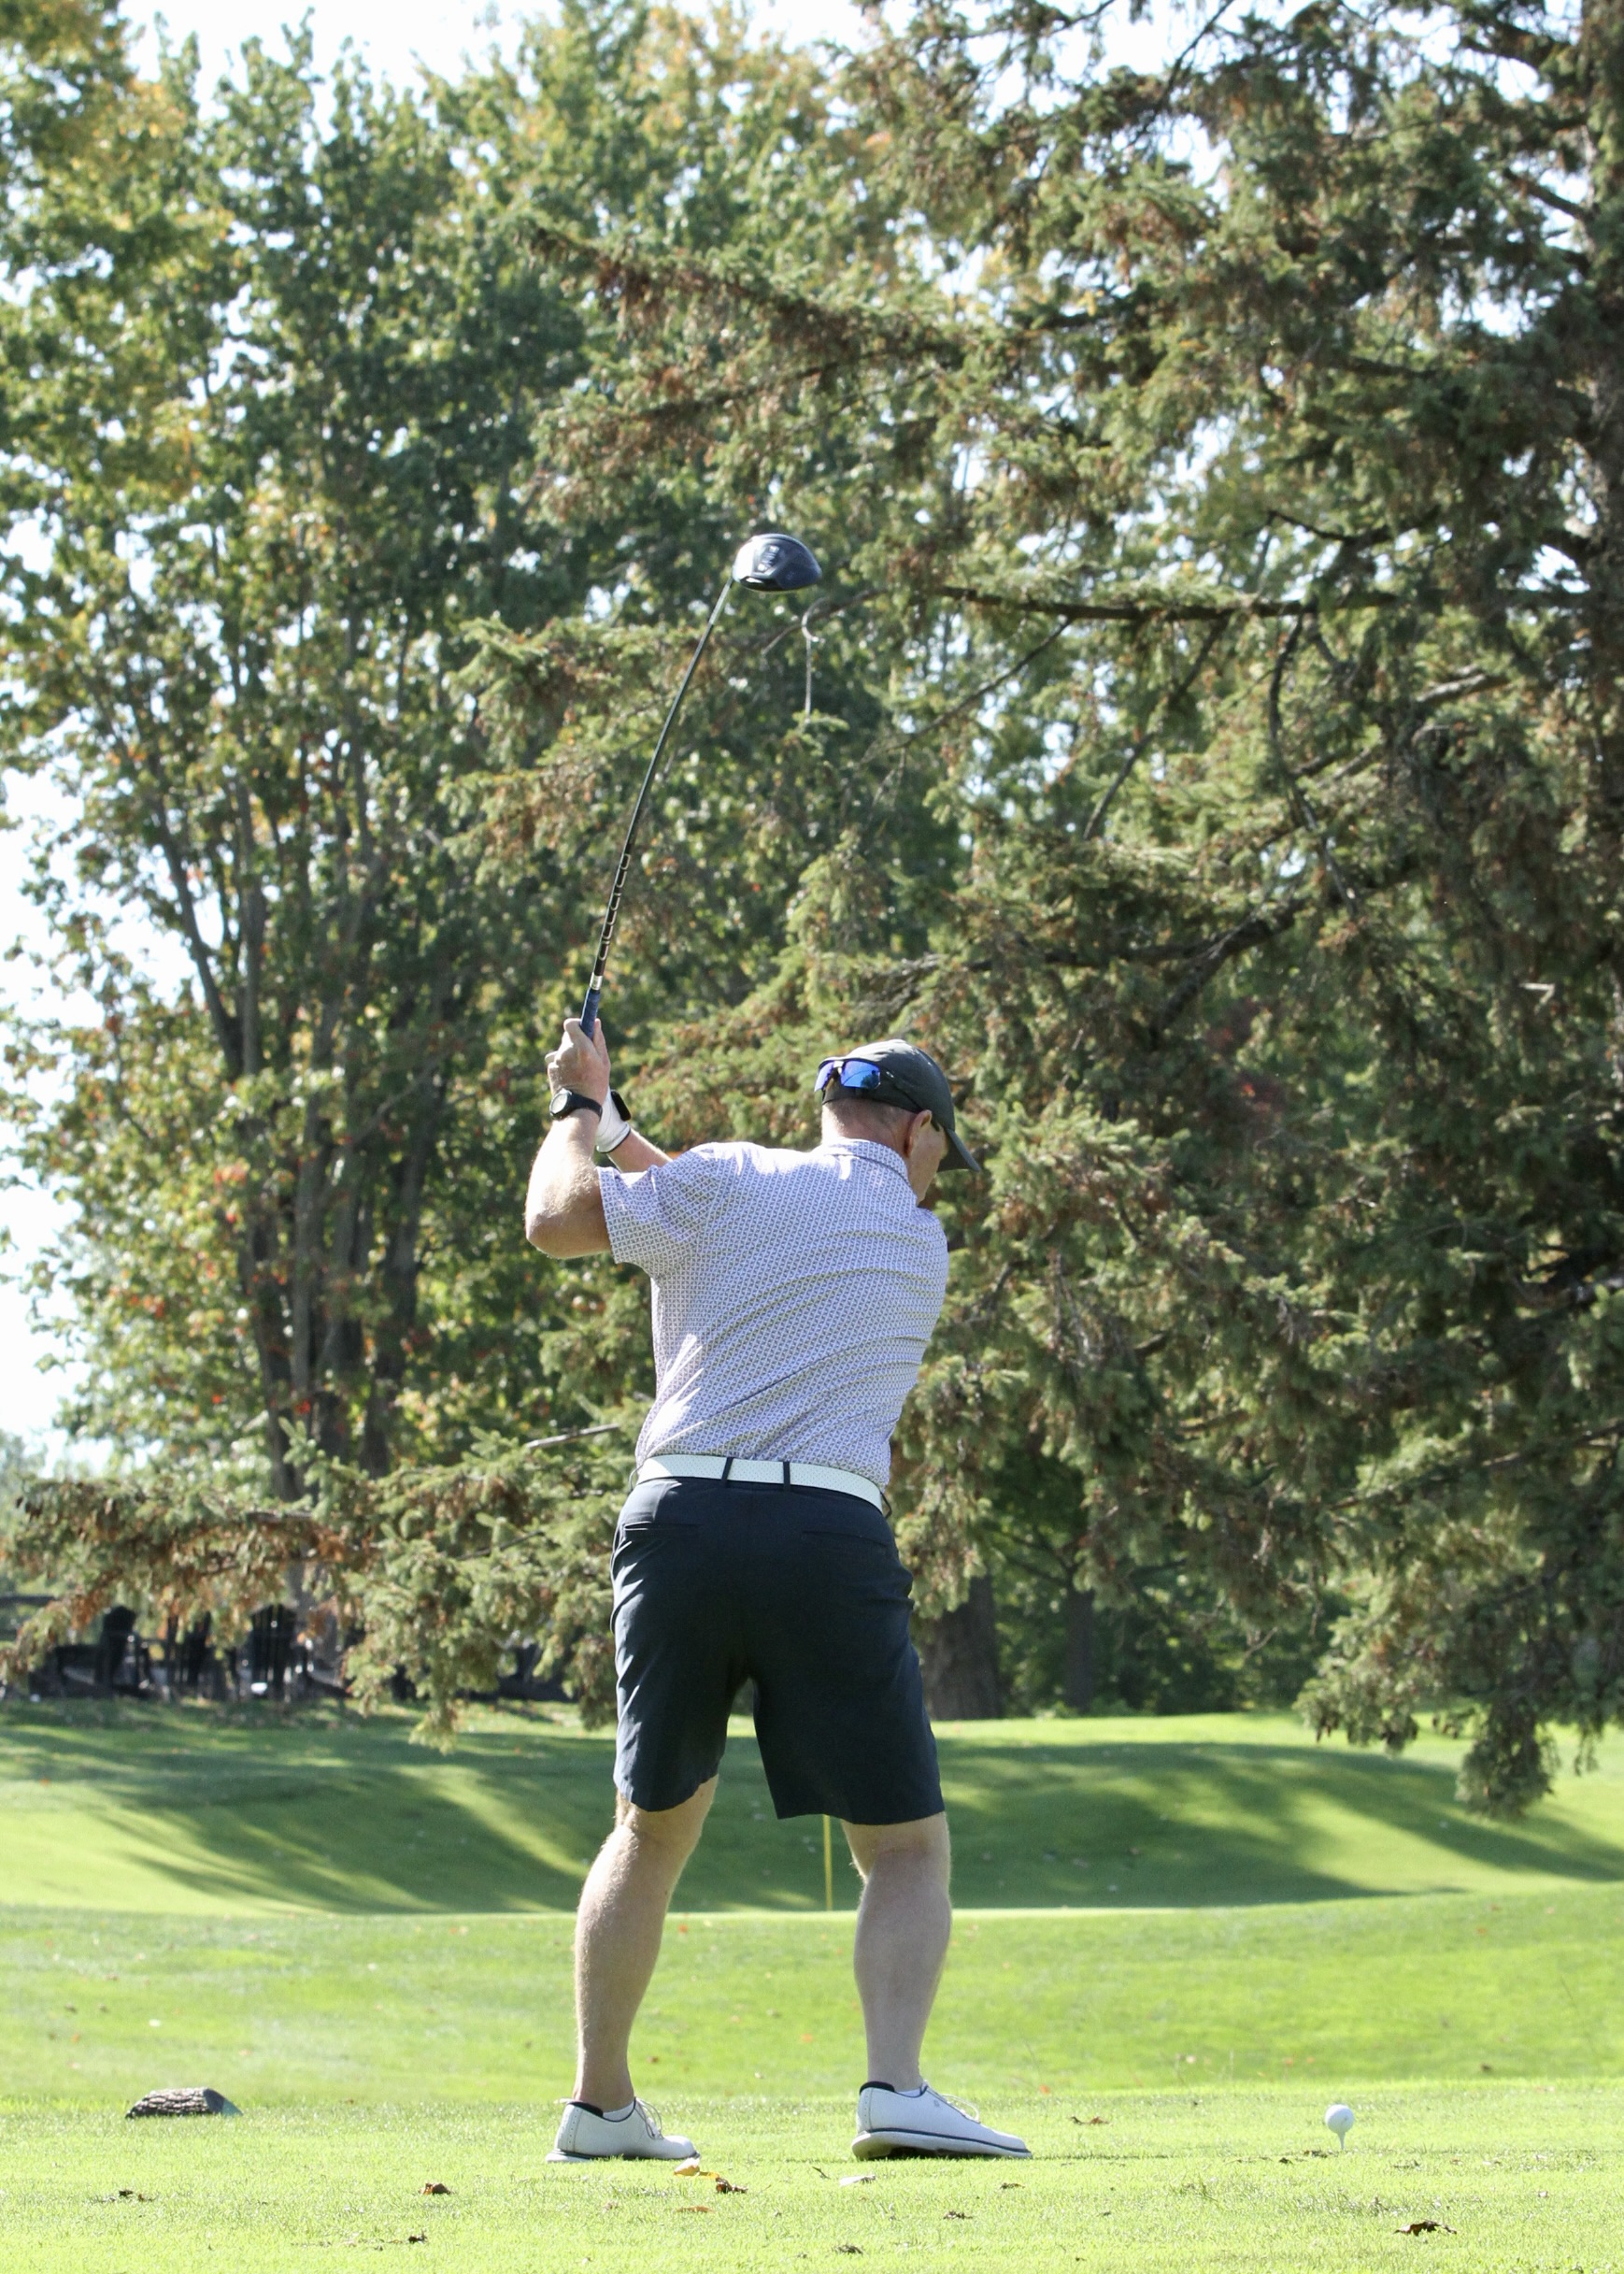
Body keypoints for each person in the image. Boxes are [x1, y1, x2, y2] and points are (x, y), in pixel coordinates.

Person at [524, 1022, 1028, 2166]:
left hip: (679, 1525)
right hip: (824, 1536)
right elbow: (750, 1215)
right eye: (942, 1150)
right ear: (917, 1131)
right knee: (904, 1848)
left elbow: (561, 1219)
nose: (940, 1172)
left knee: (648, 1830)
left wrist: (580, 1110)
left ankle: (599, 2108)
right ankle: (894, 2089)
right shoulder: (917, 1239)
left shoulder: (725, 1179)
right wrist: (610, 1121)